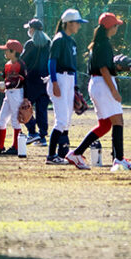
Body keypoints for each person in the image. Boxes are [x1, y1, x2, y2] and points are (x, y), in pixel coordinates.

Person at [65, 12, 131, 171]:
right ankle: (118, 160)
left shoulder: (97, 43)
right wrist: (114, 91)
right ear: (109, 27)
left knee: (105, 125)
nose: (117, 28)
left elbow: (104, 67)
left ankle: (76, 153)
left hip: (96, 83)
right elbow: (104, 69)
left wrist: (116, 68)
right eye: (115, 25)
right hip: (104, 84)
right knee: (118, 121)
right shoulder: (104, 44)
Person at [46, 9, 84, 164]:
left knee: (67, 120)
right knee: (61, 120)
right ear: (69, 23)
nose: (79, 26)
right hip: (59, 79)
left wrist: (75, 88)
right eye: (77, 23)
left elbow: (73, 68)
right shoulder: (59, 39)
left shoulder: (71, 41)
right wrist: (54, 82)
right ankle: (51, 156)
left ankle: (63, 154)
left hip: (68, 80)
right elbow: (51, 62)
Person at [0, 39, 28, 157]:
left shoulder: (21, 64)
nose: (5, 52)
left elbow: (25, 82)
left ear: (14, 51)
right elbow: (6, 79)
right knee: (1, 120)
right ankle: (0, 146)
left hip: (17, 93)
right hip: (9, 94)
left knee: (15, 120)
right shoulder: (7, 65)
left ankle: (16, 147)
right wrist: (3, 87)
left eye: (7, 50)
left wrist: (26, 98)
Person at [20, 18, 51, 146]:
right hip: (45, 81)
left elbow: (22, 62)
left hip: (31, 82)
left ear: (32, 29)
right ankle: (43, 137)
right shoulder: (49, 43)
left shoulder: (30, 44)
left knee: (23, 108)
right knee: (42, 110)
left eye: (29, 28)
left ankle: (32, 132)